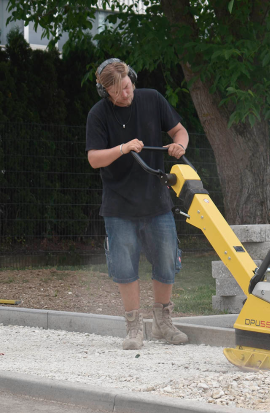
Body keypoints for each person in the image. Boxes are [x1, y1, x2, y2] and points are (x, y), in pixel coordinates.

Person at [85, 58, 189, 350]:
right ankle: (134, 328)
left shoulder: (152, 99)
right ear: (105, 92)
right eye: (118, 92)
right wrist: (123, 147)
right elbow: (94, 158)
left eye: (128, 87)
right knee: (125, 266)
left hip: (157, 200)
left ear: (132, 78)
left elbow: (180, 132)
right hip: (119, 206)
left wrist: (181, 145)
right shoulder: (98, 114)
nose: (126, 95)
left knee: (167, 260)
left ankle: (162, 323)